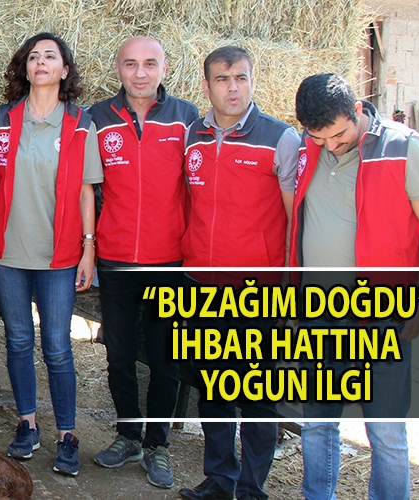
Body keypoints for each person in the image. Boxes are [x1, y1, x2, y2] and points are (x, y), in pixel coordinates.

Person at [290, 73, 419, 500]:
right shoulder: (305, 147)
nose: (331, 146)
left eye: (339, 135)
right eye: (319, 138)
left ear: (357, 110)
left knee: (386, 431)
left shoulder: (404, 148)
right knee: (317, 422)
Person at [178, 46, 300, 500]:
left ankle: (252, 488)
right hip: (202, 286)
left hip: (258, 292)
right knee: (213, 390)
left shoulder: (280, 139)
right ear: (206, 85)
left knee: (256, 396)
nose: (233, 88)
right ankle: (219, 478)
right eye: (223, 79)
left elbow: (295, 220)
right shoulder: (193, 136)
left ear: (252, 81)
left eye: (241, 78)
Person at [0, 32, 102, 477]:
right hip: (7, 253)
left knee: (57, 347)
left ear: (64, 70)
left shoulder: (81, 123)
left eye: (50, 56)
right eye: (33, 56)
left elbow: (87, 192)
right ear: (25, 67)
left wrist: (88, 249)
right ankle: (27, 424)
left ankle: (67, 435)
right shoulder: (3, 119)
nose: (41, 62)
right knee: (17, 340)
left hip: (59, 256)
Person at [88, 36, 198, 489]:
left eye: (149, 64)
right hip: (116, 258)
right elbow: (85, 186)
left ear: (164, 68)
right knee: (118, 354)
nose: (140, 73)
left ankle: (158, 444)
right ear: (118, 68)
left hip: (169, 258)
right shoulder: (98, 117)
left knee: (165, 357)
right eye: (131, 64)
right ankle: (128, 434)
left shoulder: (186, 117)